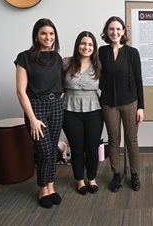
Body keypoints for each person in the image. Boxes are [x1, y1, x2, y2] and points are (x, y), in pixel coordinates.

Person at [14, 18, 64, 208]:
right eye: (44, 33)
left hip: (56, 107)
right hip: (36, 107)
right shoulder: (24, 57)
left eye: (51, 34)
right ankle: (42, 189)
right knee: (43, 151)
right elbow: (20, 91)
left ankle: (51, 187)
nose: (48, 37)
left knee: (52, 150)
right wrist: (33, 119)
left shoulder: (57, 58)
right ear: (36, 35)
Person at [98, 16, 144, 192]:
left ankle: (134, 174)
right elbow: (89, 66)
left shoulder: (132, 53)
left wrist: (141, 107)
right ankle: (116, 174)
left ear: (123, 31)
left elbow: (139, 81)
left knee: (132, 140)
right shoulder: (102, 51)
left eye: (118, 29)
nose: (114, 32)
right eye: (111, 29)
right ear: (107, 32)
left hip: (130, 103)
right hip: (109, 104)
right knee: (114, 140)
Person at [62, 31, 103, 195]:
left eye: (90, 44)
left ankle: (92, 179)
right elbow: (56, 83)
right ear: (77, 45)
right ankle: (79, 180)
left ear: (94, 47)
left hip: (94, 110)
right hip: (70, 110)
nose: (86, 47)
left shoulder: (99, 65)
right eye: (83, 43)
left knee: (92, 148)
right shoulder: (66, 63)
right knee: (77, 148)